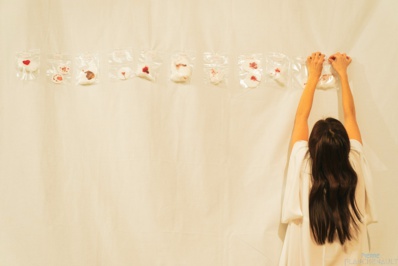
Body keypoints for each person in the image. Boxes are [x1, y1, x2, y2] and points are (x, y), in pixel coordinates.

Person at [279, 52, 377, 265]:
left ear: (312, 148)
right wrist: (343, 73)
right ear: (345, 147)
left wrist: (313, 76)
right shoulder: (355, 164)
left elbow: (300, 118)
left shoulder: (304, 166)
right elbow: (351, 116)